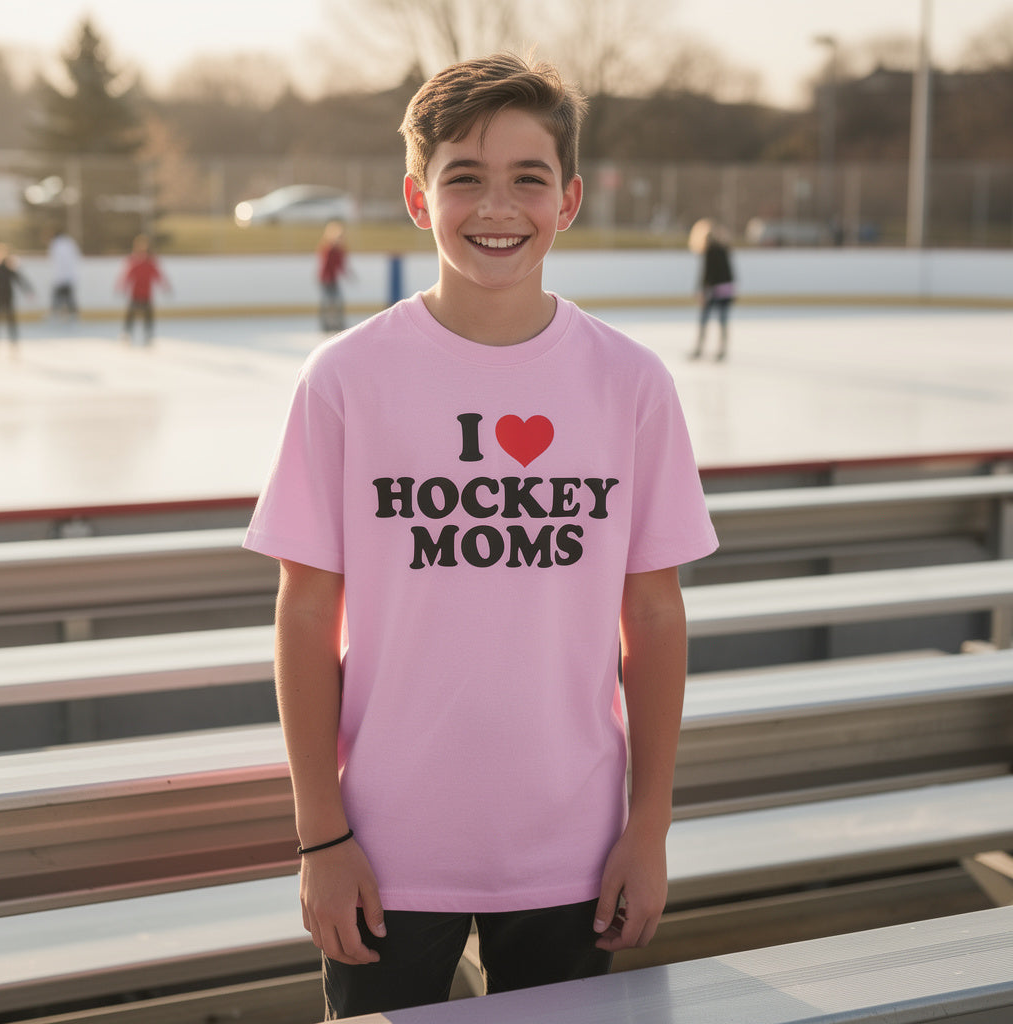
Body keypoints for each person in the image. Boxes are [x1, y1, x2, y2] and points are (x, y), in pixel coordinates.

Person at [243, 53, 717, 1020]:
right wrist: (320, 835)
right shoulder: (346, 380)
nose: (496, 206)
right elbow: (304, 614)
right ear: (419, 198)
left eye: (527, 179)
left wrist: (649, 824)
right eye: (463, 176)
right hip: (382, 848)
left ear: (569, 199)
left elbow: (655, 614)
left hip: (572, 845)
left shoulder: (629, 384)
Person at [688, 218, 735, 361]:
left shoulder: (710, 251)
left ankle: (700, 349)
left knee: (704, 320)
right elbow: (729, 272)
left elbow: (707, 274)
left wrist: (701, 291)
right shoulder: (724, 249)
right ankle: (722, 350)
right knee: (722, 321)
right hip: (726, 288)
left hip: (714, 290)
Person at [117, 234, 170, 345]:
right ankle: (127, 333)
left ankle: (149, 335)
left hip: (147, 294)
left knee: (148, 316)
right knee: (130, 315)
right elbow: (127, 274)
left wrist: (165, 286)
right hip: (135, 293)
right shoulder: (134, 260)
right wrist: (122, 286)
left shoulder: (151, 261)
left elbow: (158, 274)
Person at [0, 242, 34, 353]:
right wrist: (28, 290)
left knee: (6, 319)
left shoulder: (5, 269)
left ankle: (11, 341)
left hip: (4, 296)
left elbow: (20, 280)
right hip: (2, 296)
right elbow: (20, 280)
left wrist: (28, 290)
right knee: (1, 319)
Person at [317, 220, 349, 332]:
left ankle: (338, 323)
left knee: (338, 301)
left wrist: (348, 275)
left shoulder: (340, 250)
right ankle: (326, 325)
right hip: (326, 280)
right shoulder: (328, 249)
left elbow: (341, 266)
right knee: (327, 302)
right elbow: (325, 265)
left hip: (333, 280)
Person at [48, 227, 81, 320]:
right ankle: (72, 313)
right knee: (68, 296)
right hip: (69, 275)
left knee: (60, 295)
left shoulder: (57, 244)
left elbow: (57, 261)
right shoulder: (69, 243)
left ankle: (56, 313)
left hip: (61, 276)